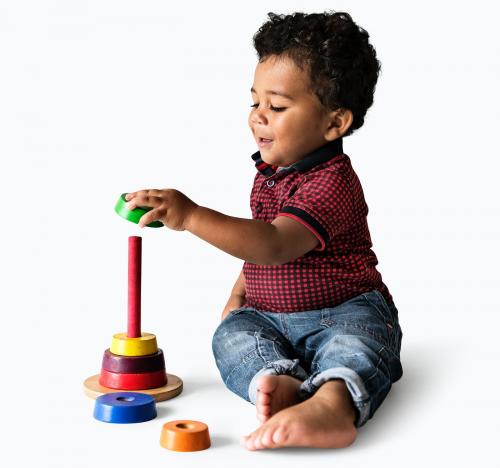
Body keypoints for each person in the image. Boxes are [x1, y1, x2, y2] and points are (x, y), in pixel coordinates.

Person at [124, 10, 403, 451]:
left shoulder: (331, 183)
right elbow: (258, 239)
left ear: (335, 122)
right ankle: (278, 382)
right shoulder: (271, 173)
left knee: (358, 347)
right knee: (232, 336)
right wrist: (240, 294)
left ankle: (332, 403)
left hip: (344, 310)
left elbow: (274, 243)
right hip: (271, 316)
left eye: (276, 106)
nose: (258, 116)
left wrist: (190, 215)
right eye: (254, 102)